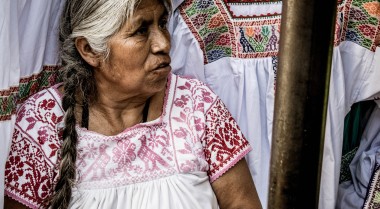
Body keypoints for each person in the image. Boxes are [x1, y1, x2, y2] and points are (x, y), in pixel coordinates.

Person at [3, 0, 262, 208]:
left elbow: (242, 202)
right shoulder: (43, 122)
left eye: (162, 23)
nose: (163, 43)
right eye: (141, 30)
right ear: (90, 50)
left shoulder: (196, 104)